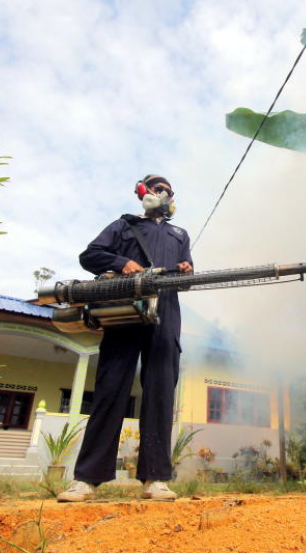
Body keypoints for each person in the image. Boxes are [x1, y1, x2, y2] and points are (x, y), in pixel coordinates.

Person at [57, 174, 193, 502]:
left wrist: (186, 270)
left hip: (166, 316)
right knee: (110, 390)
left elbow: (187, 279)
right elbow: (90, 256)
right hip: (124, 313)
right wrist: (122, 262)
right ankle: (87, 479)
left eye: (167, 190)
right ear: (143, 192)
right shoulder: (124, 226)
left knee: (161, 394)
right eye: (157, 188)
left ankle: (156, 479)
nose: (163, 193)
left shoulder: (179, 234)